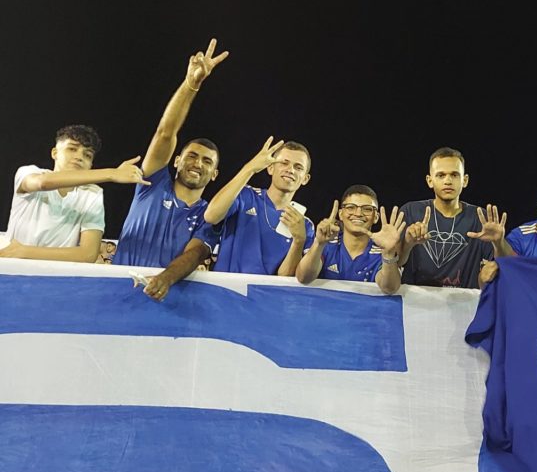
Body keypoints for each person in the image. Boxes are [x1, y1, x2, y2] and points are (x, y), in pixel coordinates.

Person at [113, 39, 229, 302]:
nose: (198, 163)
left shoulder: (210, 215)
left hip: (167, 299)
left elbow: (195, 254)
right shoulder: (151, 183)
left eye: (207, 162)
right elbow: (166, 132)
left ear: (214, 175)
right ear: (176, 161)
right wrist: (191, 85)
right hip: (117, 292)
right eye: (191, 156)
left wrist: (166, 277)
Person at [1, 125, 145, 263]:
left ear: (91, 164)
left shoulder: (93, 194)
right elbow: (42, 183)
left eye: (87, 155)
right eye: (72, 149)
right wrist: (112, 173)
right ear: (55, 153)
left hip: (56, 278)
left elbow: (87, 254)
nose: (79, 157)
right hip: (12, 270)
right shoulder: (28, 172)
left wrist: (24, 252)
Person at [204, 137, 315, 276]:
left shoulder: (304, 224)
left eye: (298, 167)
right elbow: (211, 216)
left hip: (265, 297)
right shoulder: (244, 195)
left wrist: (299, 241)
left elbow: (284, 277)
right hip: (225, 293)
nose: (290, 170)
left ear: (305, 178)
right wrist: (250, 168)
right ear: (270, 168)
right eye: (284, 163)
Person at [398, 147, 494, 289]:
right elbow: (396, 263)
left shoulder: (481, 217)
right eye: (441, 175)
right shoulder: (410, 211)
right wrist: (408, 243)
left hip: (464, 304)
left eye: (454, 175)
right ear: (430, 180)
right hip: (415, 304)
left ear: (465, 180)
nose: (448, 181)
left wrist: (498, 243)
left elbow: (498, 269)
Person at [296, 185, 404, 294]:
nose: (358, 214)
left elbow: (389, 288)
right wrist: (318, 243)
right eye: (350, 207)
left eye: (367, 209)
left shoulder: (381, 252)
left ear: (376, 217)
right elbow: (303, 278)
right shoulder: (327, 244)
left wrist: (389, 254)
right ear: (341, 214)